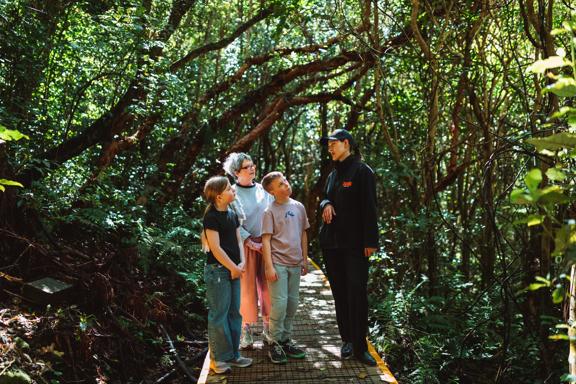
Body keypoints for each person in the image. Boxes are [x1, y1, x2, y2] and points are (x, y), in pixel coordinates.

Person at [318, 129, 379, 366]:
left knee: (357, 293)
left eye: (333, 144)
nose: (330, 148)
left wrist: (370, 241)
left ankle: (360, 346)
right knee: (340, 293)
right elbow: (324, 196)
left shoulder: (363, 172)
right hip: (332, 244)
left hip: (355, 246)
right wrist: (326, 203)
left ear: (346, 143)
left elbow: (370, 208)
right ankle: (347, 341)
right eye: (328, 145)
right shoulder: (333, 174)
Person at [202, 176, 253, 374]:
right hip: (218, 271)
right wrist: (232, 267)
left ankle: (233, 355)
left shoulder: (231, 214)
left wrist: (242, 262)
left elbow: (238, 240)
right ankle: (217, 359)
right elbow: (215, 248)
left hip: (234, 269)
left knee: (234, 312)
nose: (234, 191)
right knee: (218, 314)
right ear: (219, 196)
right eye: (230, 189)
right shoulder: (211, 217)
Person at [223, 153, 273, 350]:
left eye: (252, 165)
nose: (252, 168)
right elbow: (230, 219)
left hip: (267, 244)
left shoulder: (263, 190)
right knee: (247, 290)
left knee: (269, 288)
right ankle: (246, 331)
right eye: (246, 167)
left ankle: (269, 329)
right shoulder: (232, 192)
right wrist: (249, 240)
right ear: (236, 172)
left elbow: (273, 213)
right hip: (243, 245)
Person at [260, 171, 310, 364]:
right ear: (272, 191)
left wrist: (304, 259)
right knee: (279, 304)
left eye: (285, 181)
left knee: (292, 303)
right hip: (278, 264)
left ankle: (285, 339)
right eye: (280, 185)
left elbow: (303, 234)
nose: (286, 185)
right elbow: (266, 240)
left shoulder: (299, 207)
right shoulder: (269, 211)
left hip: (295, 263)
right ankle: (274, 342)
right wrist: (269, 267)